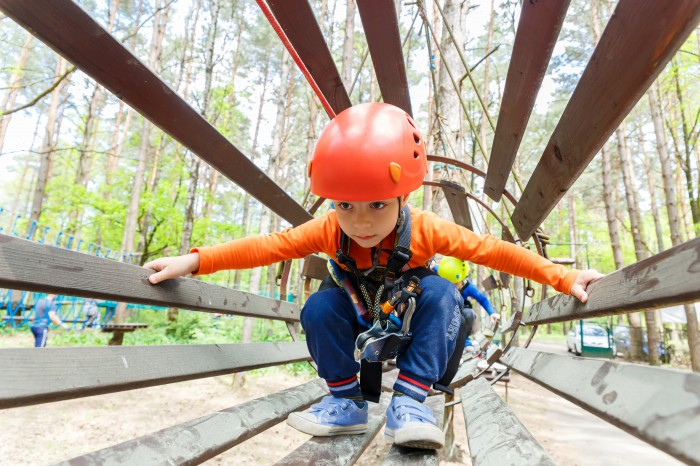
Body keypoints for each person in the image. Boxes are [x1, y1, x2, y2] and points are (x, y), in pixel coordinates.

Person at [144, 102, 603, 449]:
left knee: (444, 293)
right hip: (362, 322)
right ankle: (346, 401)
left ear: (404, 195)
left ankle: (408, 402)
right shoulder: (329, 228)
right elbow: (269, 246)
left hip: (409, 326)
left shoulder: (425, 229)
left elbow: (494, 251)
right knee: (320, 305)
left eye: (377, 205)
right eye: (346, 205)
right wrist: (193, 261)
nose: (360, 222)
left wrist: (562, 278)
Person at [435, 257, 498, 349]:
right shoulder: (442, 271)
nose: (455, 287)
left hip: (459, 311)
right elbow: (433, 266)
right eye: (452, 284)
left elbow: (482, 299)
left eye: (457, 284)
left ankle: (465, 341)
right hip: (443, 309)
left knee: (469, 314)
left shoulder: (468, 287)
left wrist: (491, 312)